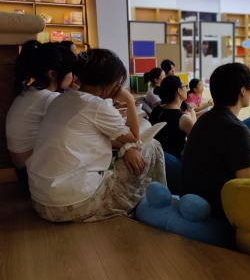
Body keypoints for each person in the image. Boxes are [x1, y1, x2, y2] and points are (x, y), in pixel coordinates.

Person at [26, 48, 166, 222]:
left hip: (40, 199)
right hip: (70, 204)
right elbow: (135, 138)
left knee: (132, 143)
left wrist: (128, 146)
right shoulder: (98, 105)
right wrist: (130, 100)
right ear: (108, 82)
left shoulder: (60, 99)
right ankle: (160, 202)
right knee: (150, 146)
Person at [180, 63, 250, 220]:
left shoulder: (206, 119)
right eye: (249, 86)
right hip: (218, 212)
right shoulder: (237, 129)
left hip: (193, 200)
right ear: (242, 91)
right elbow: (247, 188)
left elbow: (230, 149)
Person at [6, 41, 75, 181]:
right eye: (71, 71)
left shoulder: (30, 90)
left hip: (21, 170)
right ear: (52, 74)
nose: (74, 76)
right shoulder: (49, 98)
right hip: (33, 172)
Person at [148, 75, 196, 194]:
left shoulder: (156, 110)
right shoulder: (183, 118)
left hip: (153, 165)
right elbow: (196, 146)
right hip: (173, 169)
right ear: (179, 91)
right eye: (185, 86)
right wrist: (192, 112)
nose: (187, 89)